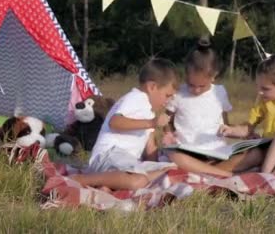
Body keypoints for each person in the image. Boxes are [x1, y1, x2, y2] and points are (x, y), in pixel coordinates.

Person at [70, 58, 178, 190]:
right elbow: (115, 122)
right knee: (138, 180)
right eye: (167, 95)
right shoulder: (136, 98)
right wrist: (152, 122)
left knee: (172, 168)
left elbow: (150, 150)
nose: (167, 101)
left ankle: (110, 184)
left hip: (126, 162)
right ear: (152, 87)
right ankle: (83, 179)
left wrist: (166, 152)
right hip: (109, 155)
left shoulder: (148, 113)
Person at [162, 38, 263, 177]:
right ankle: (221, 172)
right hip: (188, 152)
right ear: (186, 75)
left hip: (217, 152)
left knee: (256, 154)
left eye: (201, 86)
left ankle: (206, 170)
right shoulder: (179, 93)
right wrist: (168, 133)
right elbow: (166, 120)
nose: (196, 90)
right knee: (173, 155)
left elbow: (226, 125)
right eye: (191, 85)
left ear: (214, 76)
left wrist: (244, 134)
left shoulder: (219, 92)